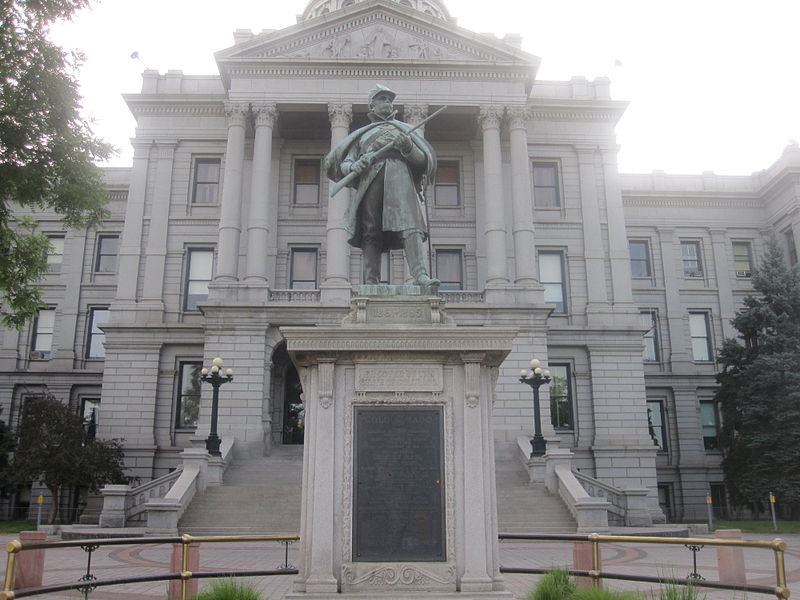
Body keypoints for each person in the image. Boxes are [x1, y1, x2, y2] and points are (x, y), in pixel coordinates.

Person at [325, 85, 440, 286]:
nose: (387, 102)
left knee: (411, 225)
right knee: (371, 229)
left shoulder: (404, 130)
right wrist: (355, 164)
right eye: (382, 99)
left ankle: (420, 275)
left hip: (400, 176)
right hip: (371, 178)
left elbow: (423, 161)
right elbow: (344, 163)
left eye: (389, 99)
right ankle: (371, 281)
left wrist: (408, 147)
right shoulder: (363, 134)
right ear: (372, 105)